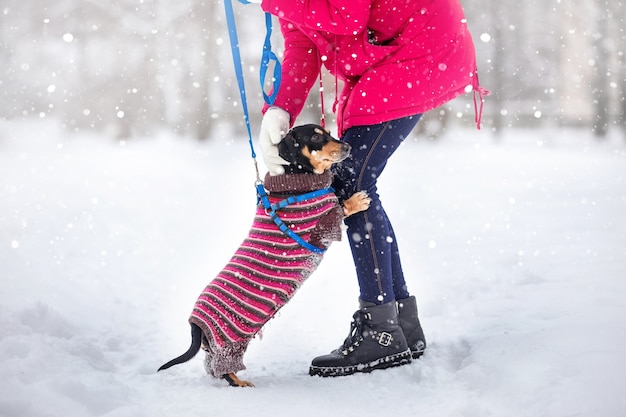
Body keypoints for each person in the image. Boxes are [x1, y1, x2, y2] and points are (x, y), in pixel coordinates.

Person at [256, 0, 487, 377]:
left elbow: (347, 16)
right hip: (393, 56)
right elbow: (302, 46)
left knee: (351, 181)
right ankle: (399, 323)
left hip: (420, 51)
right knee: (353, 180)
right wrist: (281, 109)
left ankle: (382, 329)